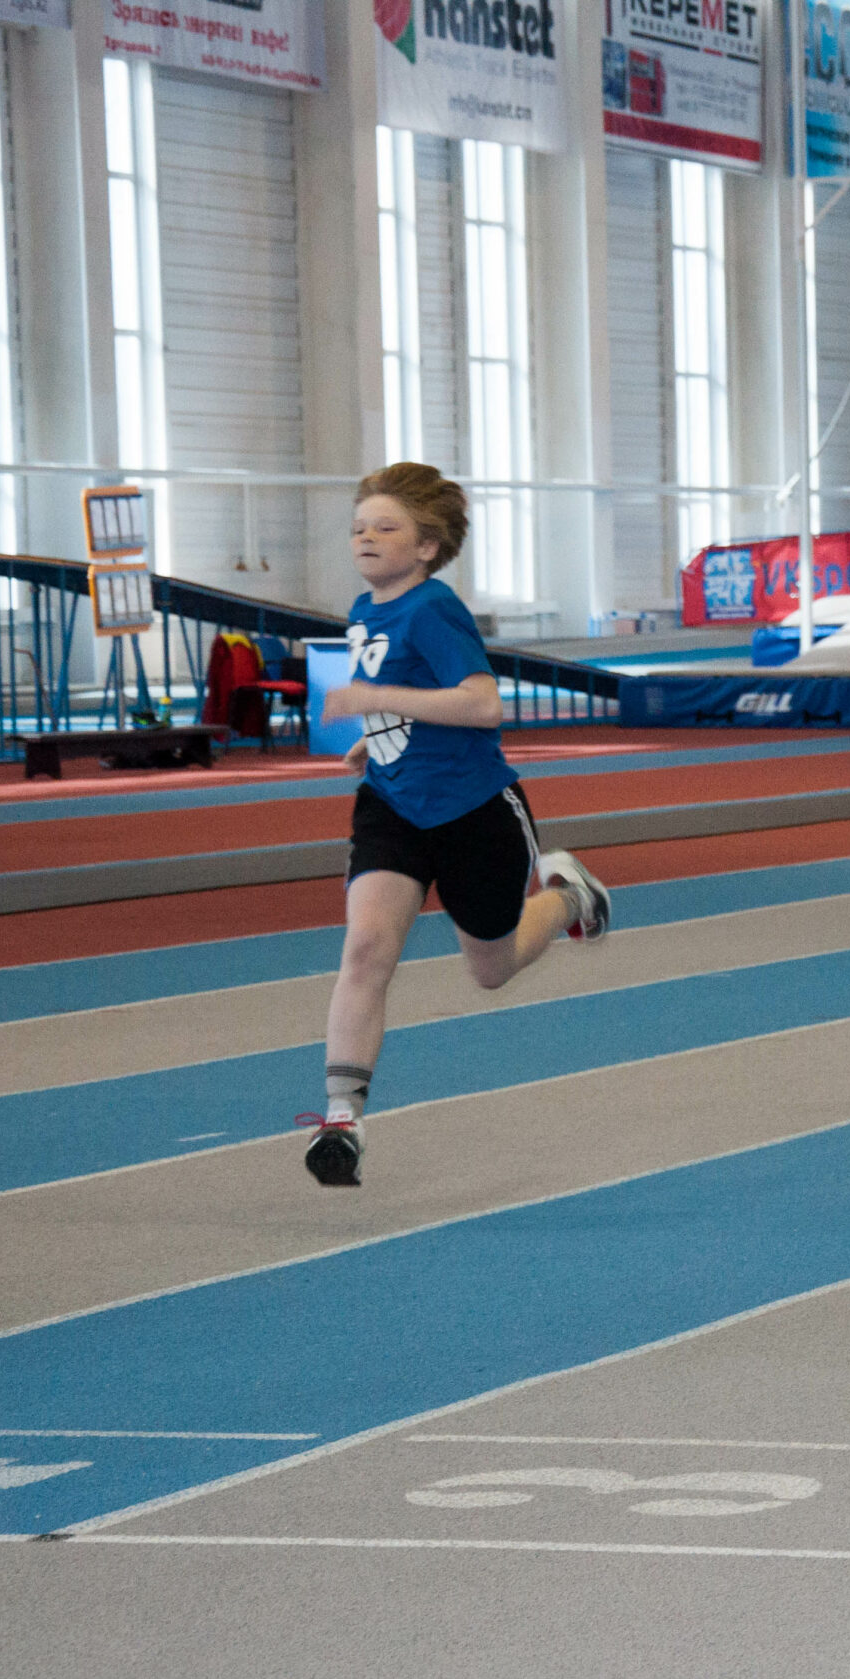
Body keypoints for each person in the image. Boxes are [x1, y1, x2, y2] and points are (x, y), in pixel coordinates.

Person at [308, 463, 613, 1187]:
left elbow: (481, 705)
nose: (365, 537)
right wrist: (377, 736)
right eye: (358, 527)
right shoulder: (364, 610)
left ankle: (570, 896)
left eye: (385, 527)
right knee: (366, 949)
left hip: (475, 813)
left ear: (426, 546)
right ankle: (341, 1121)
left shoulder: (433, 609)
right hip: (392, 805)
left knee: (491, 970)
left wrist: (376, 700)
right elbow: (413, 698)